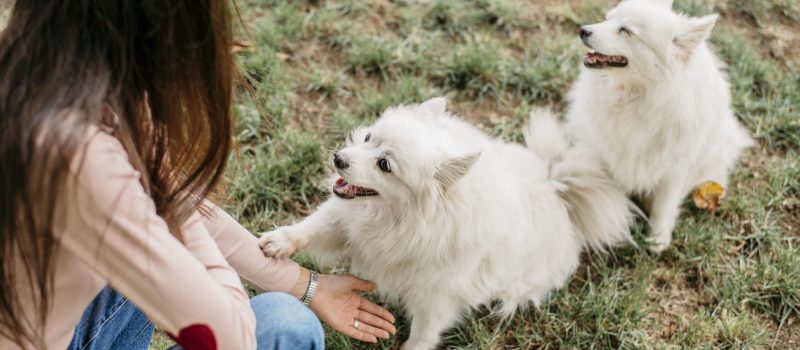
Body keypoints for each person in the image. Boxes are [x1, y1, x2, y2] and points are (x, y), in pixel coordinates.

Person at [0, 1, 396, 349]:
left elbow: (175, 206)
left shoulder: (34, 74)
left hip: (46, 323)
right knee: (285, 325)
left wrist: (306, 285)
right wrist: (160, 201)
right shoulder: (81, 158)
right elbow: (230, 339)